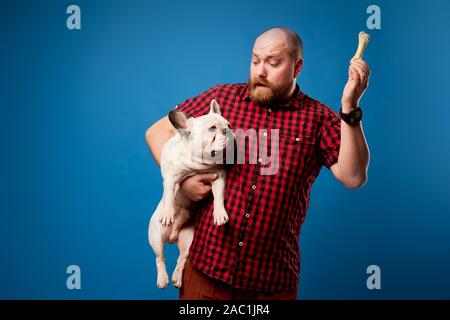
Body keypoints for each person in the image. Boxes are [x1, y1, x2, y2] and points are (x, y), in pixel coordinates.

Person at [145, 27, 370, 300]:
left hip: (271, 282)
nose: (260, 71)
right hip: (205, 273)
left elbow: (353, 176)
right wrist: (183, 181)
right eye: (255, 61)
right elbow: (157, 132)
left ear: (297, 67)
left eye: (273, 63)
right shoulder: (224, 99)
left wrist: (349, 107)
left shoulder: (318, 118)